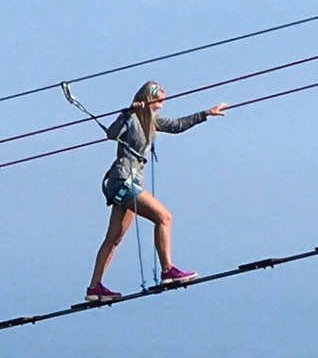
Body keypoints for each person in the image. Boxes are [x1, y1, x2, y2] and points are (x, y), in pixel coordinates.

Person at [86, 83, 226, 302]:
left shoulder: (150, 121)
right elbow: (112, 134)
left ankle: (94, 289)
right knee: (164, 217)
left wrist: (206, 113)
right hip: (122, 181)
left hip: (127, 183)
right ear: (148, 99)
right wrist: (128, 111)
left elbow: (177, 125)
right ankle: (167, 270)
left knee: (114, 238)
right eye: (159, 101)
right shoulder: (130, 118)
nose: (161, 106)